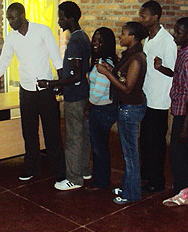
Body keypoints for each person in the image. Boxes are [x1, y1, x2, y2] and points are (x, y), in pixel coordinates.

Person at [0, 3, 66, 186]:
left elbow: (56, 58)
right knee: (29, 133)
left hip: (45, 91)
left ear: (22, 15)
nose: (10, 22)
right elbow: (3, 62)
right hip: (26, 92)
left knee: (52, 133)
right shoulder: (12, 38)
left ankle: (59, 172)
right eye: (8, 19)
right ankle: (32, 168)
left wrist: (61, 84)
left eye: (12, 18)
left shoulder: (42, 31)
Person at [38, 1, 91, 190]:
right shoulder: (83, 36)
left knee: (74, 137)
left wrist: (51, 83)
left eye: (61, 17)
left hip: (75, 97)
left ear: (70, 18)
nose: (59, 21)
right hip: (82, 94)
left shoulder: (75, 41)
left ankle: (74, 179)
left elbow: (75, 75)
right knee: (83, 135)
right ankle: (84, 170)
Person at [96, 22, 148, 204]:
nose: (120, 37)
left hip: (130, 109)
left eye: (124, 34)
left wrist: (106, 73)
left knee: (130, 154)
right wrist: (111, 70)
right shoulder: (130, 55)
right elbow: (122, 76)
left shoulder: (136, 58)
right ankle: (128, 186)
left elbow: (127, 88)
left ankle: (131, 194)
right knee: (128, 152)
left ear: (133, 37)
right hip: (128, 106)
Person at [161, 17, 188, 207]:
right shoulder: (185, 51)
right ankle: (187, 186)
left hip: (187, 113)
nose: (174, 35)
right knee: (182, 152)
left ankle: (183, 192)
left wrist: (185, 126)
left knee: (180, 153)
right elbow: (180, 77)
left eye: (178, 32)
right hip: (181, 110)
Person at [138, 0, 177, 193]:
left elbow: (174, 71)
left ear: (155, 17)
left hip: (159, 100)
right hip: (147, 96)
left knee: (156, 142)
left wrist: (161, 67)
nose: (141, 19)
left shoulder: (167, 41)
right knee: (145, 139)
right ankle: (146, 173)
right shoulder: (148, 39)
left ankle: (157, 180)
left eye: (143, 15)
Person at [85, 27, 118, 190]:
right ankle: (100, 179)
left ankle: (101, 182)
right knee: (100, 147)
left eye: (100, 40)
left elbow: (98, 92)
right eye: (94, 39)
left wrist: (88, 106)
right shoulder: (101, 61)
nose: (95, 43)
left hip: (100, 109)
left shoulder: (104, 63)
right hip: (102, 109)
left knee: (99, 149)